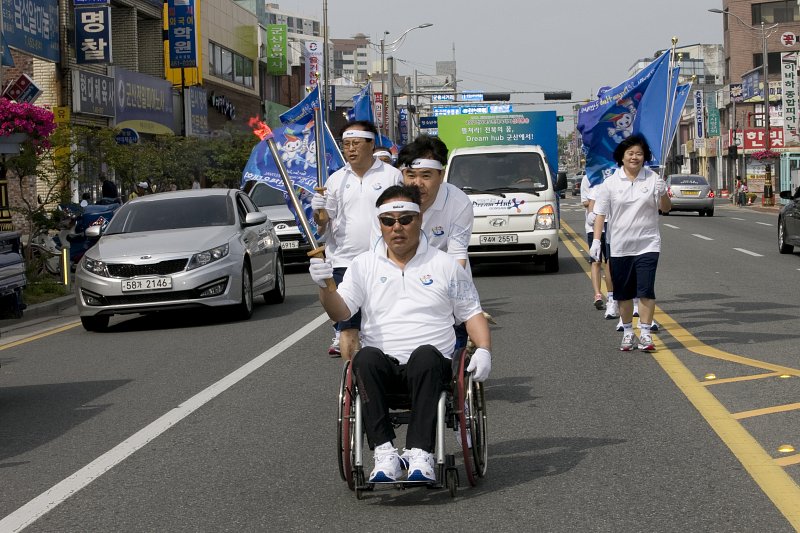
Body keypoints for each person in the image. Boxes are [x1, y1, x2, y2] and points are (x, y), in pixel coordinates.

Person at [309, 184, 491, 483]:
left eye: (405, 219)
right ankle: (385, 454)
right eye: (388, 220)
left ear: (419, 220)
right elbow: (340, 313)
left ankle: (421, 453)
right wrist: (324, 286)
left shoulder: (445, 265)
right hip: (383, 368)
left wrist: (483, 348)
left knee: (425, 356)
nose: (397, 227)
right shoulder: (363, 265)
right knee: (363, 358)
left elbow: (471, 313)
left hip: (433, 368)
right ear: (379, 224)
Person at [311, 120, 403, 360]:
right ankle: (353, 383)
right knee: (347, 323)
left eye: (355, 143)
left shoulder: (392, 176)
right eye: (346, 144)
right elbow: (323, 222)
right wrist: (317, 210)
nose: (350, 149)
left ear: (371, 144)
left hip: (383, 260)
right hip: (343, 261)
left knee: (383, 323)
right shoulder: (335, 180)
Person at [591, 134, 671, 352]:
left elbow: (665, 208)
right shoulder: (610, 183)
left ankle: (645, 333)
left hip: (648, 243)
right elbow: (600, 214)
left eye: (639, 153)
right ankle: (628, 332)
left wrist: (663, 192)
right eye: (630, 153)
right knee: (623, 294)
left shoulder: (653, 178)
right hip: (619, 246)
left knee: (646, 290)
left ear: (644, 157)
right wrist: (596, 241)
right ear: (622, 157)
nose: (635, 157)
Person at [581, 174, 616, 315]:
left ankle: (612, 296)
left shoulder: (615, 176)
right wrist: (593, 211)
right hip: (593, 228)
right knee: (596, 261)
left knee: (609, 262)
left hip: (611, 226)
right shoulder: (588, 178)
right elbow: (585, 201)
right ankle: (597, 294)